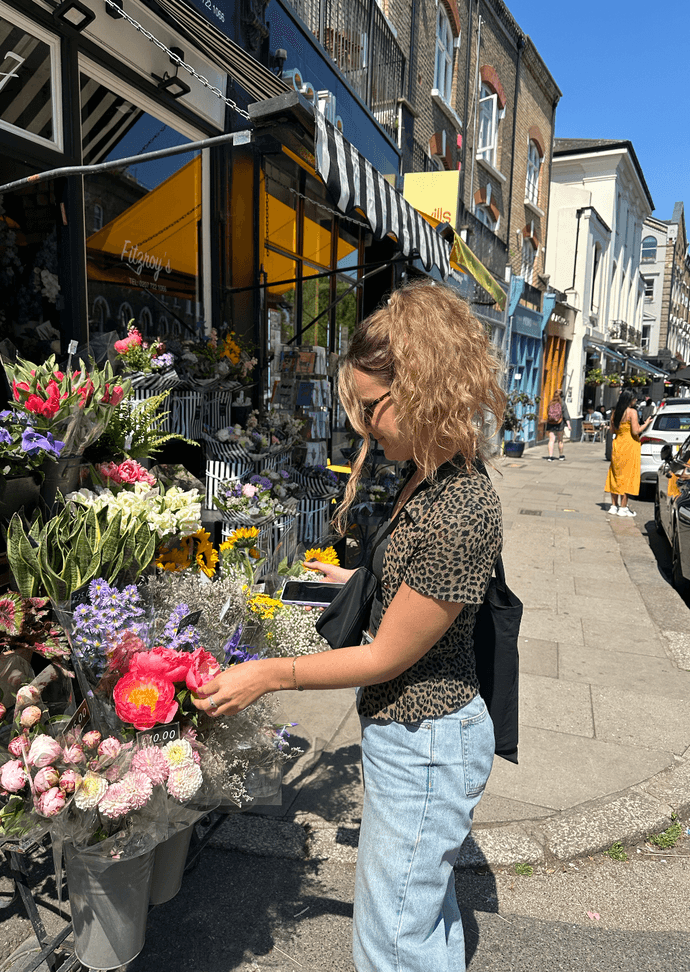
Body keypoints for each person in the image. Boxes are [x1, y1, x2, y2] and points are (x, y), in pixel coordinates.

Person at [193, 281, 506, 972]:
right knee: (418, 917)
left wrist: (270, 674)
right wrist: (353, 582)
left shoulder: (460, 504)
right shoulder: (434, 473)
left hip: (426, 744)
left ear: (422, 388)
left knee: (392, 941)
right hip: (420, 737)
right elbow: (414, 585)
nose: (364, 427)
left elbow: (386, 657)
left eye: (372, 408)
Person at [605, 389, 652, 515]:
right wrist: (646, 424)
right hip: (630, 446)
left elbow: (611, 431)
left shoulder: (615, 412)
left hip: (618, 445)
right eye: (634, 398)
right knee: (627, 475)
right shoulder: (632, 412)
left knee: (615, 475)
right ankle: (623, 507)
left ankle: (613, 506)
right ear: (630, 399)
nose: (635, 400)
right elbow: (636, 431)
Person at [544, 389, 571, 460]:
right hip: (559, 423)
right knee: (560, 440)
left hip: (550, 422)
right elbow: (565, 414)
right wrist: (568, 424)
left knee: (551, 440)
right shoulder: (562, 403)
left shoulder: (551, 402)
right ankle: (561, 456)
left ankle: (550, 457)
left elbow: (547, 412)